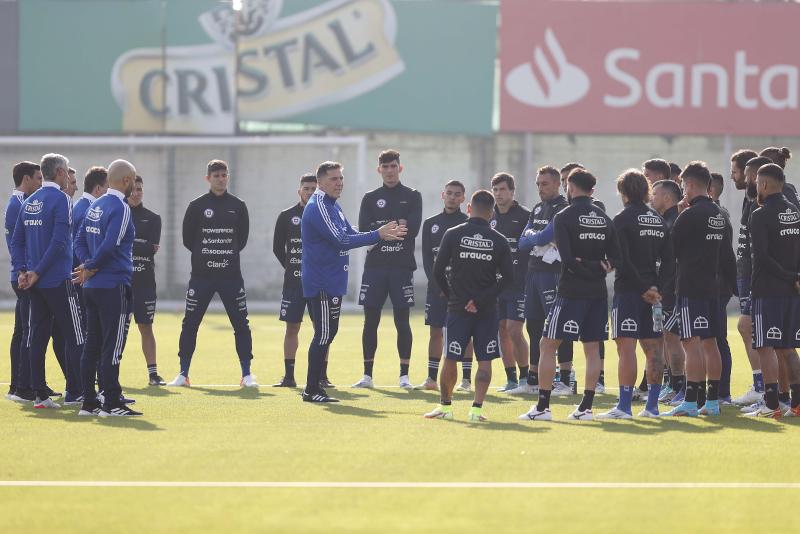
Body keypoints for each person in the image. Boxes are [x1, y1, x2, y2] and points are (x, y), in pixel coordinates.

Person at [300, 161, 406, 403]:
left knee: (327, 333)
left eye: (340, 178)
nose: (339, 183)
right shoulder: (319, 207)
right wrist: (377, 234)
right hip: (322, 282)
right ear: (320, 182)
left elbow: (349, 233)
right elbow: (341, 240)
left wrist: (379, 234)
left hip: (332, 280)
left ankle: (314, 386)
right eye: (333, 179)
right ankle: (311, 389)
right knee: (324, 334)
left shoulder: (332, 206)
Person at [519, 168, 620, 421]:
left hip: (570, 290)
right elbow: (614, 258)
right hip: (597, 291)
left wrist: (581, 264)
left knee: (547, 344)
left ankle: (543, 407)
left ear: (570, 187)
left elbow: (566, 258)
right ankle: (585, 408)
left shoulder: (564, 215)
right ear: (592, 190)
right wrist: (597, 267)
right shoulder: (603, 217)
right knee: (592, 349)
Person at [424, 190, 513, 422]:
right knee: (484, 360)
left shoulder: (453, 234)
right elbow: (509, 279)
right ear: (491, 213)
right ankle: (476, 410)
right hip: (486, 311)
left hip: (457, 309)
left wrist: (454, 296)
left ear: (470, 209)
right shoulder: (499, 240)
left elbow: (437, 270)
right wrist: (482, 300)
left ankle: (445, 407)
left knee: (451, 357)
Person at [169, 160, 254, 387]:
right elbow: (189, 240)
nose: (220, 178)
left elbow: (241, 240)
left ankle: (246, 374)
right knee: (190, 323)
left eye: (224, 175)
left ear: (228, 177)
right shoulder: (196, 206)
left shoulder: (238, 205)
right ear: (208, 178)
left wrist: (224, 257)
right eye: (216, 175)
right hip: (201, 277)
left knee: (241, 324)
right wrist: (205, 257)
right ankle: (183, 373)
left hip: (230, 277)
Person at [10, 153, 83, 408]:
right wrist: (38, 271)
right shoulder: (62, 200)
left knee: (36, 338)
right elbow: (60, 241)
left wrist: (23, 271)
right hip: (58, 280)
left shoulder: (30, 201)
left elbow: (17, 240)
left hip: (34, 283)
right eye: (67, 172)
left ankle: (40, 395)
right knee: (76, 335)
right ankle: (77, 392)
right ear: (61, 172)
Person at [599, 170, 673, 419]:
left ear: (623, 192)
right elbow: (670, 262)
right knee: (654, 350)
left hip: (630, 292)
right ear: (646, 191)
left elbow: (622, 260)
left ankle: (624, 406)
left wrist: (642, 288)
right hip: (653, 296)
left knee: (626, 349)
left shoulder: (622, 219)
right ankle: (652, 407)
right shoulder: (658, 220)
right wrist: (657, 289)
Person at [664, 161, 736, 417]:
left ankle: (691, 402)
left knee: (690, 343)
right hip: (715, 289)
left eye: (683, 185)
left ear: (691, 185)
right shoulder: (720, 215)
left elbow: (670, 250)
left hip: (691, 288)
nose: (683, 190)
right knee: (711, 343)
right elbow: (728, 255)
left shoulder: (688, 215)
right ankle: (713, 402)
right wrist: (734, 287)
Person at [73, 159, 140, 416]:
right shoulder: (121, 208)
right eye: (133, 179)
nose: (134, 185)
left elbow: (77, 239)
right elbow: (111, 244)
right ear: (126, 181)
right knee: (111, 346)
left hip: (91, 288)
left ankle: (89, 402)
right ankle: (112, 402)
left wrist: (87, 266)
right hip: (113, 286)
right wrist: (92, 265)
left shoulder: (95, 205)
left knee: (92, 346)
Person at [354, 150, 422, 389]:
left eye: (393, 166)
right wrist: (394, 224)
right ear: (379, 170)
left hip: (401, 268)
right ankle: (367, 376)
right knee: (370, 321)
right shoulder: (370, 198)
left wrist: (382, 229)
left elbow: (411, 229)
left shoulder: (413, 196)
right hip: (375, 268)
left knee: (402, 321)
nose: (390, 170)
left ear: (400, 168)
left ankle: (404, 376)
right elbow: (365, 230)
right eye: (386, 167)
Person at [744, 163, 800, 418]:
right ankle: (795, 404)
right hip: (793, 290)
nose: (755, 187)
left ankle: (771, 404)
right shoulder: (794, 211)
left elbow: (763, 258)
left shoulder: (760, 214)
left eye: (756, 182)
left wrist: (789, 276)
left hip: (768, 290)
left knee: (766, 346)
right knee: (788, 348)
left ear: (764, 184)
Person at [416, 180, 469, 391]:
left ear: (463, 198)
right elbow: (428, 259)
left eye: (457, 194)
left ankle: (465, 379)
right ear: (442, 195)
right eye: (449, 193)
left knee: (465, 332)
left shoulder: (467, 223)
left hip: (461, 290)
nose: (452, 197)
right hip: (436, 289)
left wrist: (459, 287)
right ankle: (431, 379)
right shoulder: (431, 223)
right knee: (435, 331)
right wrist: (438, 284)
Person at [731, 155, 772, 407]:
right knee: (750, 331)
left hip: (759, 277)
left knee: (753, 330)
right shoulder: (750, 200)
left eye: (743, 173)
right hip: (746, 275)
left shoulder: (767, 204)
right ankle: (765, 390)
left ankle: (770, 392)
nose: (739, 177)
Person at [272, 173, 318, 388]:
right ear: (299, 191)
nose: (309, 192)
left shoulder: (325, 214)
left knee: (321, 329)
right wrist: (292, 268)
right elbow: (277, 247)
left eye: (313, 189)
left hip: (319, 283)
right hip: (294, 283)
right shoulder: (286, 216)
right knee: (292, 328)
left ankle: (322, 376)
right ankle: (289, 376)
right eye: (306, 188)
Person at [4, 162, 42, 402]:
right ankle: (23, 388)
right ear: (26, 179)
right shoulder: (20, 204)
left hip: (21, 274)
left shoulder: (16, 202)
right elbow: (18, 243)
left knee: (21, 331)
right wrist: (25, 271)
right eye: (38, 178)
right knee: (29, 332)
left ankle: (17, 386)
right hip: (24, 276)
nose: (40, 183)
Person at [489, 173, 531, 391]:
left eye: (502, 189)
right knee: (501, 330)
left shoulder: (525, 215)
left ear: (512, 191)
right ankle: (511, 379)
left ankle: (525, 379)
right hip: (496, 285)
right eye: (495, 190)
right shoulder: (489, 216)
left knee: (515, 329)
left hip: (519, 284)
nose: (498, 194)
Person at [650, 179, 686, 405]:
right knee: (666, 337)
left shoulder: (675, 222)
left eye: (654, 194)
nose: (651, 198)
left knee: (674, 339)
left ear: (666, 197)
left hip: (672, 290)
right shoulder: (665, 220)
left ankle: (681, 387)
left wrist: (667, 288)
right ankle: (673, 385)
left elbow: (674, 261)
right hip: (664, 289)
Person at [128, 175, 164, 386]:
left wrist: (131, 243)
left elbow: (152, 249)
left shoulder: (153, 218)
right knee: (117, 331)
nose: (136, 192)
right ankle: (108, 374)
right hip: (121, 282)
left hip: (145, 283)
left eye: (139, 189)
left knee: (146, 327)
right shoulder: (118, 213)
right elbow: (115, 244)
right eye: (133, 189)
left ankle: (153, 374)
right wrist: (142, 244)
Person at [710, 171, 736, 403]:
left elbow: (726, 255)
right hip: (715, 285)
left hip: (715, 286)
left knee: (717, 338)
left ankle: (722, 392)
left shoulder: (718, 215)